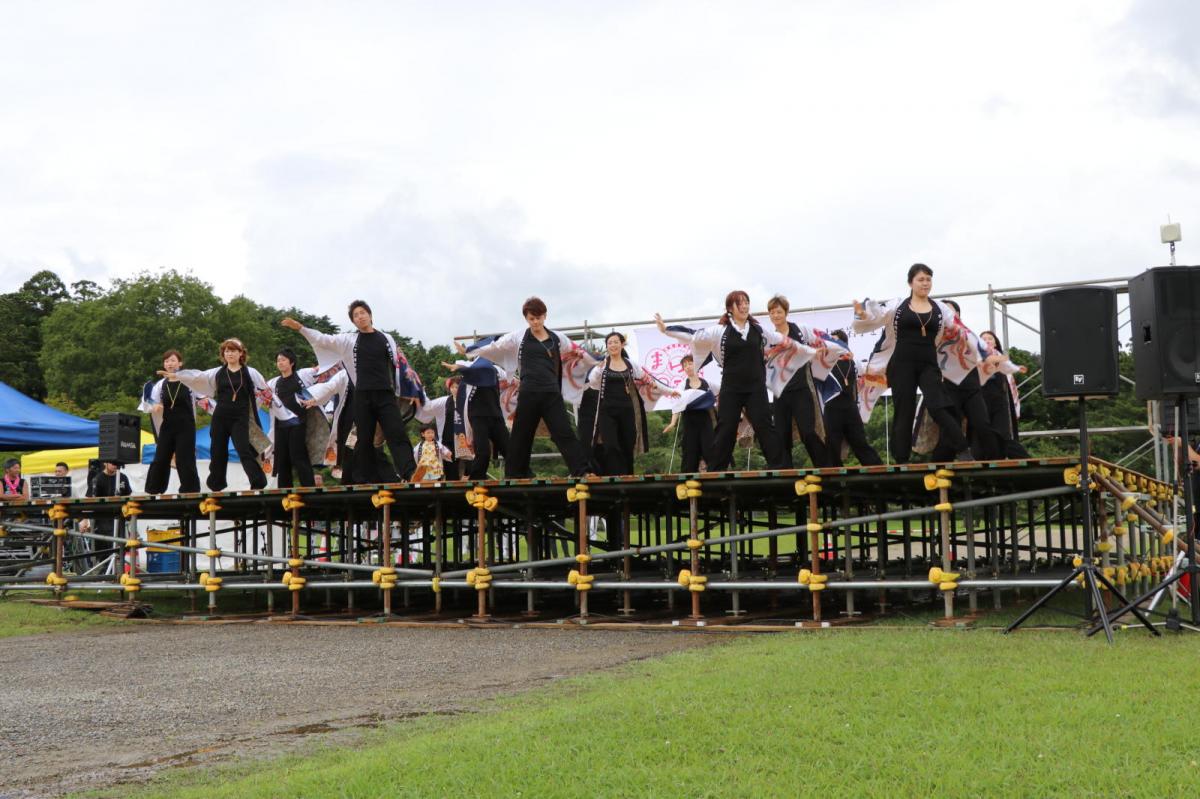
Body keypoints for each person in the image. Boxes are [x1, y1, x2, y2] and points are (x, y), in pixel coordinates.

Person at [656, 290, 844, 471]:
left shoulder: (759, 330)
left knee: (764, 425)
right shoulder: (719, 331)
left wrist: (811, 351)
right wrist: (667, 330)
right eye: (740, 303)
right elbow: (694, 335)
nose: (744, 306)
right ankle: (717, 469)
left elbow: (785, 342)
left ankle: (779, 466)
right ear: (730, 308)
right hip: (731, 388)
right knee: (726, 427)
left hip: (755, 388)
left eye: (747, 303)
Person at [852, 264, 986, 464]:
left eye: (928, 279)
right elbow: (876, 314)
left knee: (939, 404)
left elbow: (962, 331)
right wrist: (863, 315)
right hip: (901, 363)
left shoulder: (940, 309)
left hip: (928, 364)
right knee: (904, 409)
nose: (925, 283)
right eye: (921, 279)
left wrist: (985, 352)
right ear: (911, 283)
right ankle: (901, 459)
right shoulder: (898, 305)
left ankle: (962, 448)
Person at [282, 301, 425, 484]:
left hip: (385, 395)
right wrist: (301, 328)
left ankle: (410, 472)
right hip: (363, 396)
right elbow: (323, 339)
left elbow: (400, 367)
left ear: (370, 315)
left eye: (363, 312)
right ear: (353, 321)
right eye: (356, 315)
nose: (360, 316)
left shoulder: (386, 338)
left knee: (396, 433)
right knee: (363, 440)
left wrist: (411, 391)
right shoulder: (348, 340)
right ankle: (361, 479)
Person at [457, 297, 597, 478]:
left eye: (539, 318)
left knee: (564, 433)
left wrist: (596, 359)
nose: (536, 322)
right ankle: (514, 475)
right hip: (529, 393)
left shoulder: (557, 338)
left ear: (545, 316)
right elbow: (496, 345)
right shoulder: (519, 336)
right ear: (526, 318)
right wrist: (470, 350)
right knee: (520, 437)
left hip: (551, 394)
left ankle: (582, 471)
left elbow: (578, 350)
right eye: (532, 318)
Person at [166, 338, 270, 491]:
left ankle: (258, 481)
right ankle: (216, 483)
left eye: (233, 350)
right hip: (220, 416)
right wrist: (178, 376)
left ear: (241, 353)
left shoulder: (250, 372)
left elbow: (265, 392)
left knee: (243, 449)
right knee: (217, 450)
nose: (229, 354)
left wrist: (252, 409)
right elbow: (197, 377)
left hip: (240, 417)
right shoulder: (217, 372)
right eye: (226, 351)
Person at [582, 331, 676, 476]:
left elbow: (650, 380)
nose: (613, 345)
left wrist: (670, 391)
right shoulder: (602, 365)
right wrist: (598, 371)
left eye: (615, 342)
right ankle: (614, 476)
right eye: (610, 343)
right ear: (607, 346)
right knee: (611, 445)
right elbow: (593, 384)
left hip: (627, 410)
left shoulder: (631, 365)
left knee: (627, 444)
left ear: (622, 344)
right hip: (607, 411)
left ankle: (627, 476)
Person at [919, 301, 1002, 462]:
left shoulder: (967, 334)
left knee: (982, 424)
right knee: (950, 429)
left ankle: (995, 460)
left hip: (971, 388)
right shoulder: (934, 336)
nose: (945, 314)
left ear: (957, 315)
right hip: (948, 388)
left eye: (949, 311)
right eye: (942, 311)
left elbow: (985, 352)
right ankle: (940, 463)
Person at [766, 294, 830, 468]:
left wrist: (826, 347)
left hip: (801, 388)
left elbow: (822, 339)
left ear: (786, 312)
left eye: (778, 312)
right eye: (772, 313)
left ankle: (824, 466)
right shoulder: (769, 338)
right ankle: (785, 471)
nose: (775, 316)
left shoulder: (801, 330)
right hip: (780, 392)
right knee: (781, 434)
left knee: (808, 431)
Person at [139, 349, 206, 494]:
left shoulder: (189, 382)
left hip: (186, 426)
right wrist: (154, 406)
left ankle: (190, 489)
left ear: (180, 363)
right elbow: (148, 401)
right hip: (168, 425)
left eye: (173, 360)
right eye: (167, 361)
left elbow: (203, 397)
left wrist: (212, 407)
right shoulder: (161, 384)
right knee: (161, 457)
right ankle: (154, 489)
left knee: (184, 458)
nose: (169, 363)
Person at [821, 330, 882, 467]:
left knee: (859, 439)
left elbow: (862, 379)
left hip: (849, 406)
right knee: (832, 441)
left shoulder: (854, 362)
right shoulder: (825, 362)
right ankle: (833, 471)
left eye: (836, 341)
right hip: (832, 406)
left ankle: (875, 466)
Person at [662, 353, 719, 473]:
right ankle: (687, 480)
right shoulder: (682, 385)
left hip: (705, 420)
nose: (688, 367)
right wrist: (673, 423)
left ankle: (714, 476)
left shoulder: (707, 383)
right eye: (685, 365)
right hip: (689, 420)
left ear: (696, 364)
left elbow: (723, 391)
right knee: (690, 451)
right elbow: (676, 405)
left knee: (710, 449)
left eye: (690, 363)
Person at [979, 331, 1030, 458]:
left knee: (1003, 434)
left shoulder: (1000, 358)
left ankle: (1025, 460)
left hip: (999, 401)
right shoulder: (973, 357)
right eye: (983, 339)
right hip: (980, 400)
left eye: (990, 338)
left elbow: (1009, 372)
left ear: (995, 343)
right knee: (982, 434)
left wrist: (1018, 368)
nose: (987, 340)